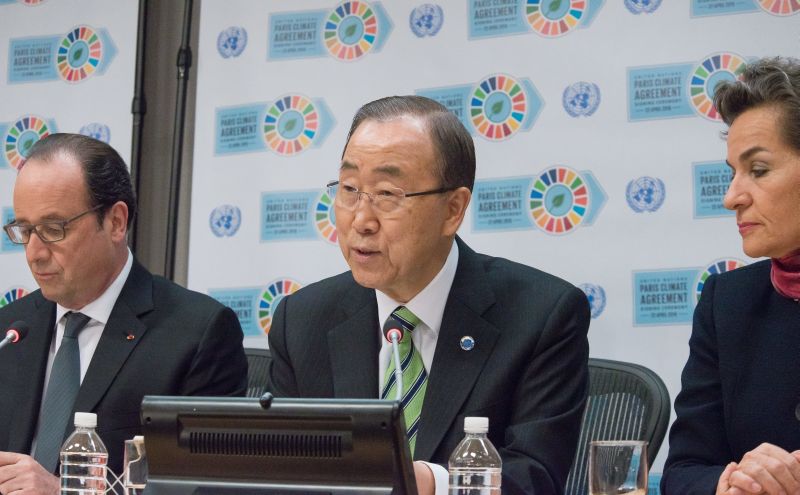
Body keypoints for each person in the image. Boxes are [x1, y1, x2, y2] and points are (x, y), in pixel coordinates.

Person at [268, 95, 591, 495]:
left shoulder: (541, 315)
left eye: (388, 194)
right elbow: (278, 475)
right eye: (349, 189)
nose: (361, 220)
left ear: (453, 209)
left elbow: (535, 477)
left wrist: (425, 483)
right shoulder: (302, 320)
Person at [0, 134, 248, 494]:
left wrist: (62, 491)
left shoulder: (196, 334)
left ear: (116, 222)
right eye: (25, 230)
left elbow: (203, 488)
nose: (34, 253)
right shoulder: (10, 331)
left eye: (54, 230)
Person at [661, 56, 800, 495]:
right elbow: (683, 472)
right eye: (733, 173)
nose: (731, 197)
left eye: (758, 170)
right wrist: (733, 483)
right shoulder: (727, 301)